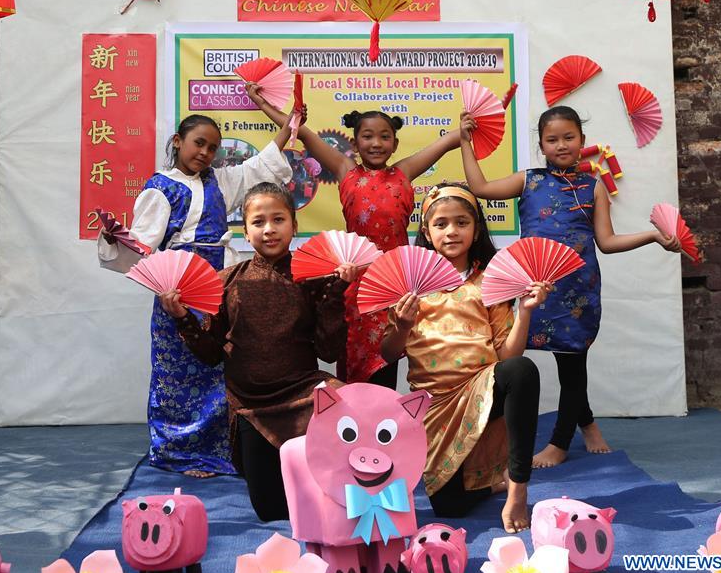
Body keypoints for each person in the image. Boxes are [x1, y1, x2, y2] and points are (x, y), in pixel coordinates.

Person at [459, 105, 681, 468]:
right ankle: (587, 422)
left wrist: (653, 236)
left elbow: (606, 242)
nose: (561, 145)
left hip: (577, 289)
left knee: (572, 366)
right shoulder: (528, 180)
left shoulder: (594, 187)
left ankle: (560, 443)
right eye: (552, 139)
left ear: (582, 141)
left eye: (568, 137)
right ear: (542, 146)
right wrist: (465, 142)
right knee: (510, 358)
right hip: (536, 287)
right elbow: (481, 188)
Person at [98, 114, 295, 477]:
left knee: (218, 366)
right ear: (178, 141)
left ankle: (219, 449)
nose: (205, 153)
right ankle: (179, 451)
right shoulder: (160, 188)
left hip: (218, 285)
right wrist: (117, 239)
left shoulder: (220, 181)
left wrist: (290, 125)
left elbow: (258, 165)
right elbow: (142, 245)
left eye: (213, 148)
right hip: (178, 289)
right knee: (177, 371)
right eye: (199, 143)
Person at [159, 182, 356, 521]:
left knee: (345, 408)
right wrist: (182, 319)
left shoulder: (313, 278)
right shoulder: (226, 282)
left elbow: (330, 350)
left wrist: (336, 293)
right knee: (270, 510)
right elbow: (210, 354)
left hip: (303, 394)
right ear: (245, 234)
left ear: (294, 226)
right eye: (258, 222)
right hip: (251, 405)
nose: (269, 229)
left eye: (278, 219)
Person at [247, 83, 461, 388]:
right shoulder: (346, 170)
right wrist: (263, 103)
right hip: (356, 282)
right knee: (354, 358)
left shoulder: (404, 171)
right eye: (368, 136)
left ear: (395, 143)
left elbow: (451, 139)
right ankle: (355, 425)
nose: (376, 143)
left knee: (390, 354)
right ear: (356, 143)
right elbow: (300, 131)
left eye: (384, 137)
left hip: (396, 282)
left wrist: (470, 122)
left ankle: (387, 419)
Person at [379, 182, 550, 533]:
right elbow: (388, 353)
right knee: (451, 508)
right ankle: (491, 483)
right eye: (441, 224)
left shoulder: (491, 282)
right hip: (435, 405)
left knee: (520, 370)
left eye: (461, 222)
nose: (451, 231)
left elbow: (506, 354)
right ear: (426, 231)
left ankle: (517, 485)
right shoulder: (409, 285)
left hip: (483, 391)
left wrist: (526, 312)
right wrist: (402, 325)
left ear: (476, 229)